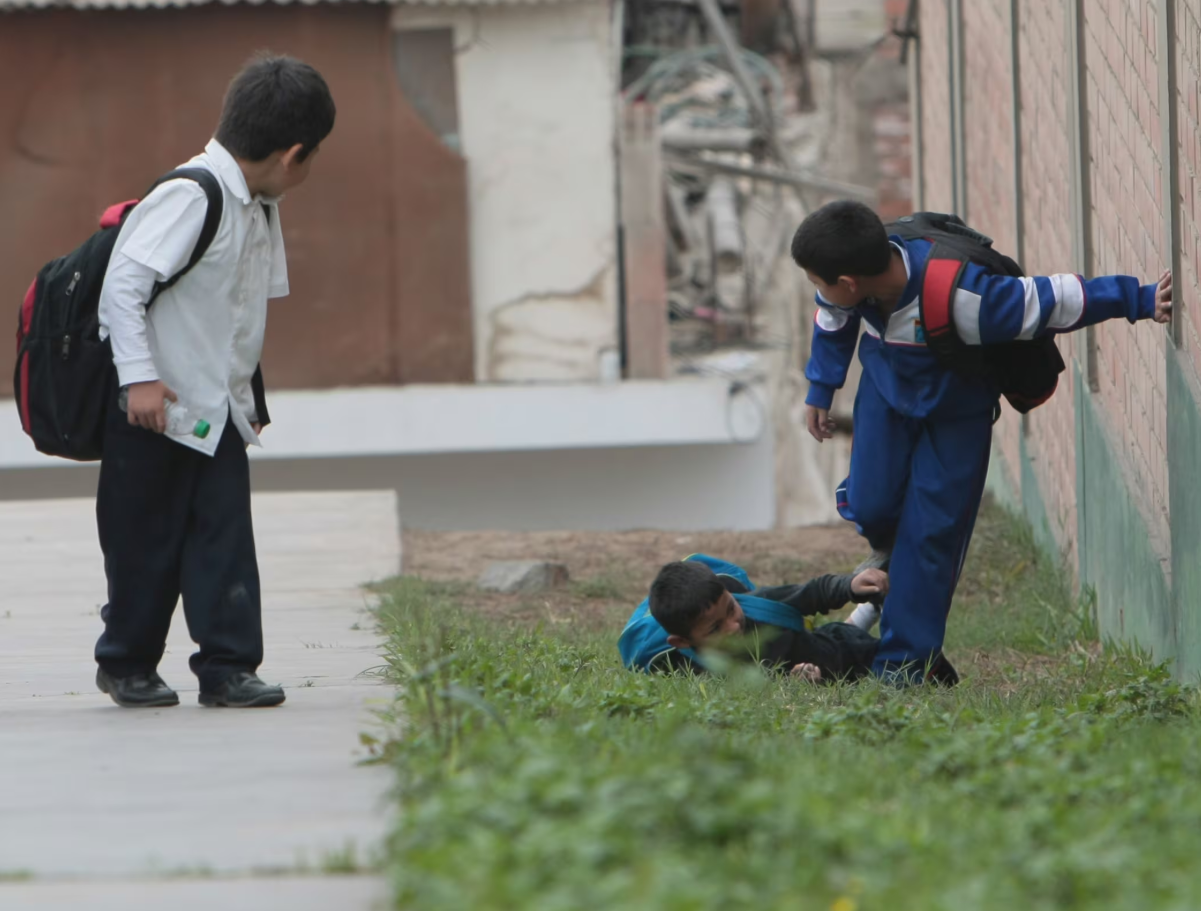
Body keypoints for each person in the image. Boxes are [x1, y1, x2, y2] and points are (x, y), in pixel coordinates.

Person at [792, 200, 1173, 681]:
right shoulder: (850, 286)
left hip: (956, 418)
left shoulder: (961, 296)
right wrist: (821, 388)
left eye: (818, 282)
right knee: (871, 504)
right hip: (886, 399)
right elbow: (832, 318)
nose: (819, 291)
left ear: (849, 282)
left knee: (933, 536)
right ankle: (893, 556)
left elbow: (1050, 300)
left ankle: (903, 666)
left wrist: (1138, 299)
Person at [93, 55, 336, 708]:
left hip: (214, 412)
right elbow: (121, 288)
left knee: (224, 543)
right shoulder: (193, 195)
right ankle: (126, 663)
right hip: (152, 413)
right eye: (314, 157)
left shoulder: (256, 206)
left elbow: (237, 313)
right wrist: (139, 381)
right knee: (144, 547)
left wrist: (248, 400)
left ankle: (228, 667)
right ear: (293, 154)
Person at [641, 558, 893, 683]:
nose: (733, 625)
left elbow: (812, 593)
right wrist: (792, 681)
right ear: (682, 642)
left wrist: (850, 585)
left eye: (731, 608)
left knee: (896, 659)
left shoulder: (757, 604)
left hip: (842, 650)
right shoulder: (692, 670)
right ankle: (867, 611)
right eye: (716, 628)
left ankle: (870, 603)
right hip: (822, 672)